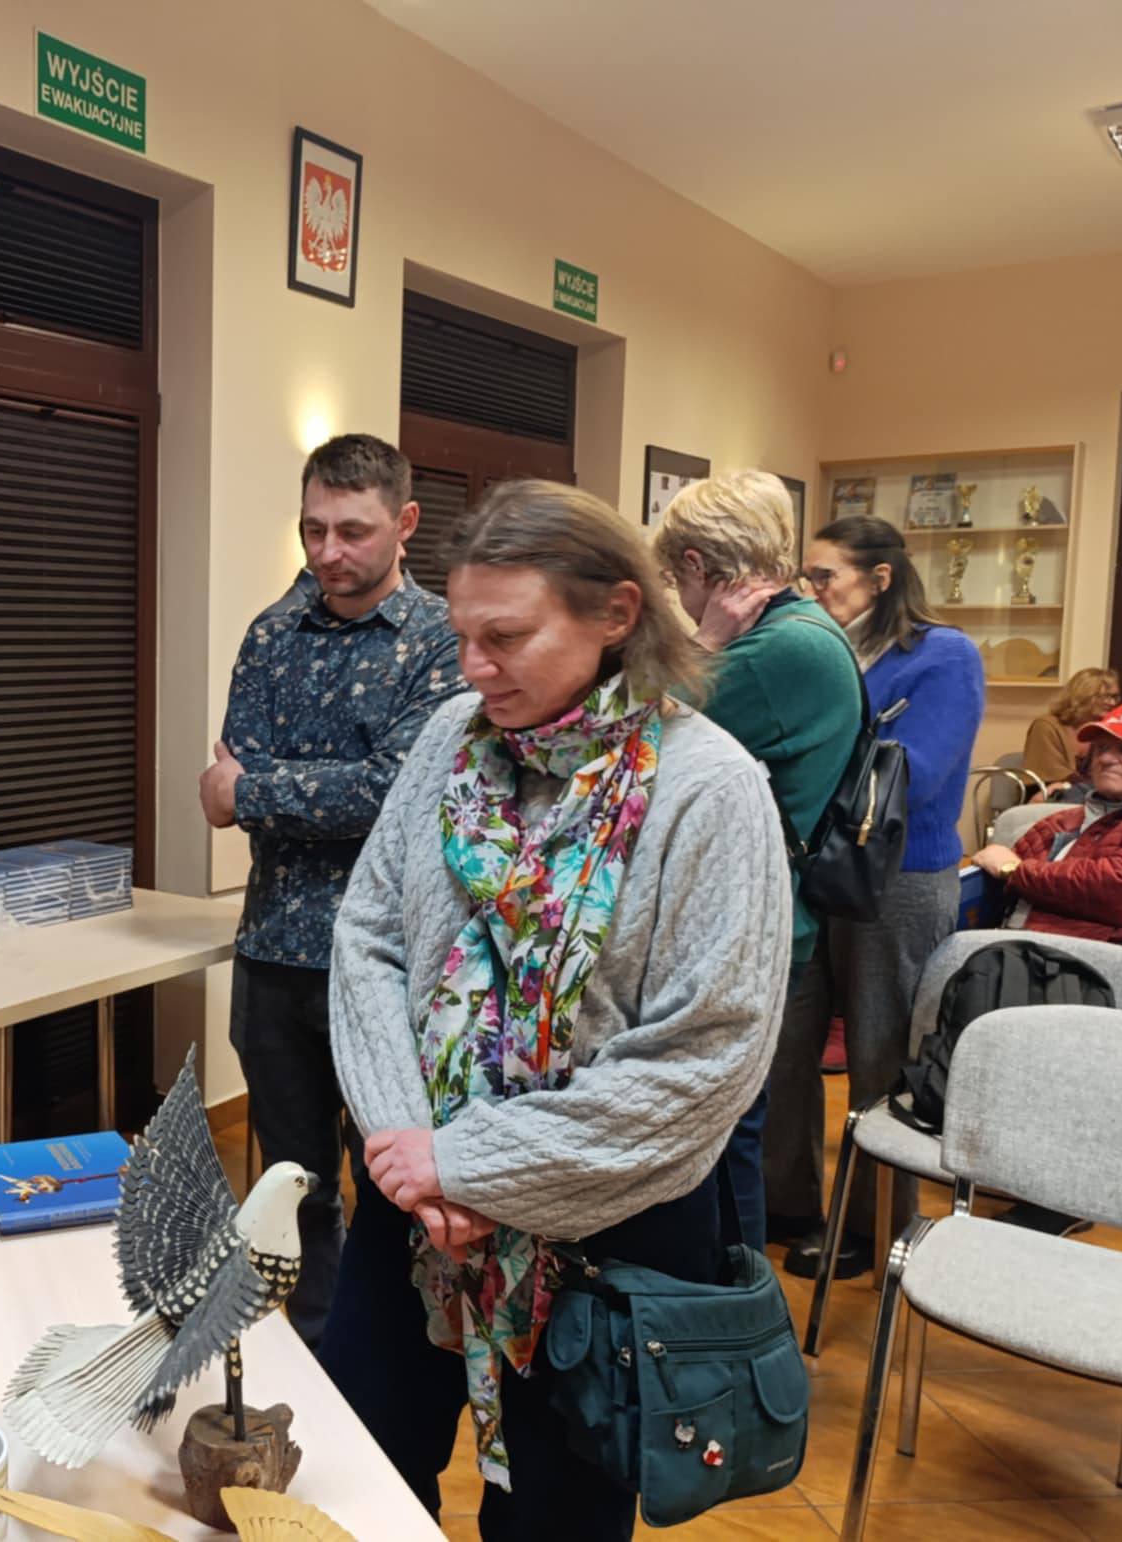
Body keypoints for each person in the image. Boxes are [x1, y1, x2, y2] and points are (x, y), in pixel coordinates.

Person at [319, 480, 790, 1537]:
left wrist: (470, 1164)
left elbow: (703, 1061)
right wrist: (408, 1148)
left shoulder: (711, 788)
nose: (472, 667)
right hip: (412, 1206)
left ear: (616, 613)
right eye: (460, 635)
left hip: (600, 1240)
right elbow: (369, 938)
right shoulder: (449, 740)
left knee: (553, 1521)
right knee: (354, 1485)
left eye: (505, 638)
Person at [201, 432, 462, 1350]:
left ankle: (390, 1353)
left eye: (353, 531)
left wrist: (259, 790)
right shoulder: (272, 633)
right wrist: (269, 790)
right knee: (294, 1181)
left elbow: (397, 790)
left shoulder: (441, 639)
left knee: (394, 1180)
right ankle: (318, 1349)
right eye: (313, 529)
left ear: (405, 523)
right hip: (274, 950)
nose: (327, 552)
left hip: (387, 964)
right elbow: (227, 782)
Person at [768, 516, 984, 1279]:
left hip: (899, 881)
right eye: (808, 575)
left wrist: (808, 759)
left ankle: (873, 1225)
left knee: (878, 1057)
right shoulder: (822, 648)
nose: (812, 588)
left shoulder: (943, 654)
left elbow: (914, 773)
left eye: (825, 575)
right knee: (785, 1045)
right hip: (815, 871)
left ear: (881, 578)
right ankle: (785, 1201)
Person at [655, 470, 863, 1253]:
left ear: (699, 565)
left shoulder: (783, 649)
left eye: (676, 578)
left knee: (722, 1132)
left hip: (748, 923)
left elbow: (625, 734)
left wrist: (705, 643)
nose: (678, 598)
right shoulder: (799, 629)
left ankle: (728, 1306)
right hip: (754, 917)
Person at [970, 699, 1122, 945]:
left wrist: (1013, 870)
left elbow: (1121, 888)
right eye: (1102, 748)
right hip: (1010, 945)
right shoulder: (1058, 822)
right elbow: (999, 886)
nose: (1106, 759)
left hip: (1086, 958)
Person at [1022, 666, 1120, 794]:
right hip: (1048, 795)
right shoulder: (1046, 726)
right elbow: (1049, 777)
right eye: (1105, 697)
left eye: (1115, 697)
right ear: (1083, 696)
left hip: (1093, 797)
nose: (1112, 703)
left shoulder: (1106, 730)